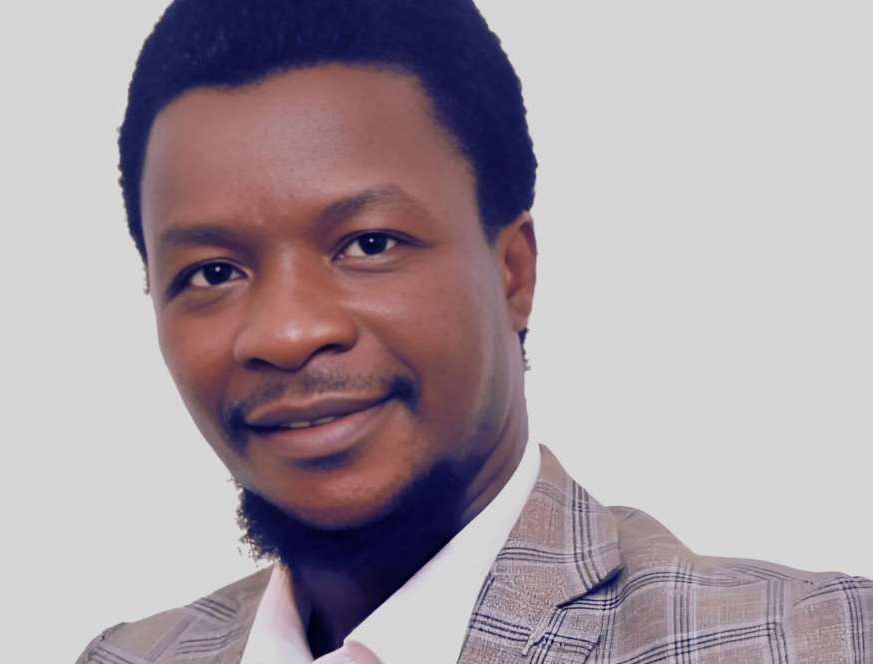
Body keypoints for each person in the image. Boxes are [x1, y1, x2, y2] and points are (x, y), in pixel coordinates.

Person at [77, 1, 872, 662]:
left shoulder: (816, 643)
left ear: (513, 272)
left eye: (369, 244)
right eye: (212, 272)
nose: (286, 332)